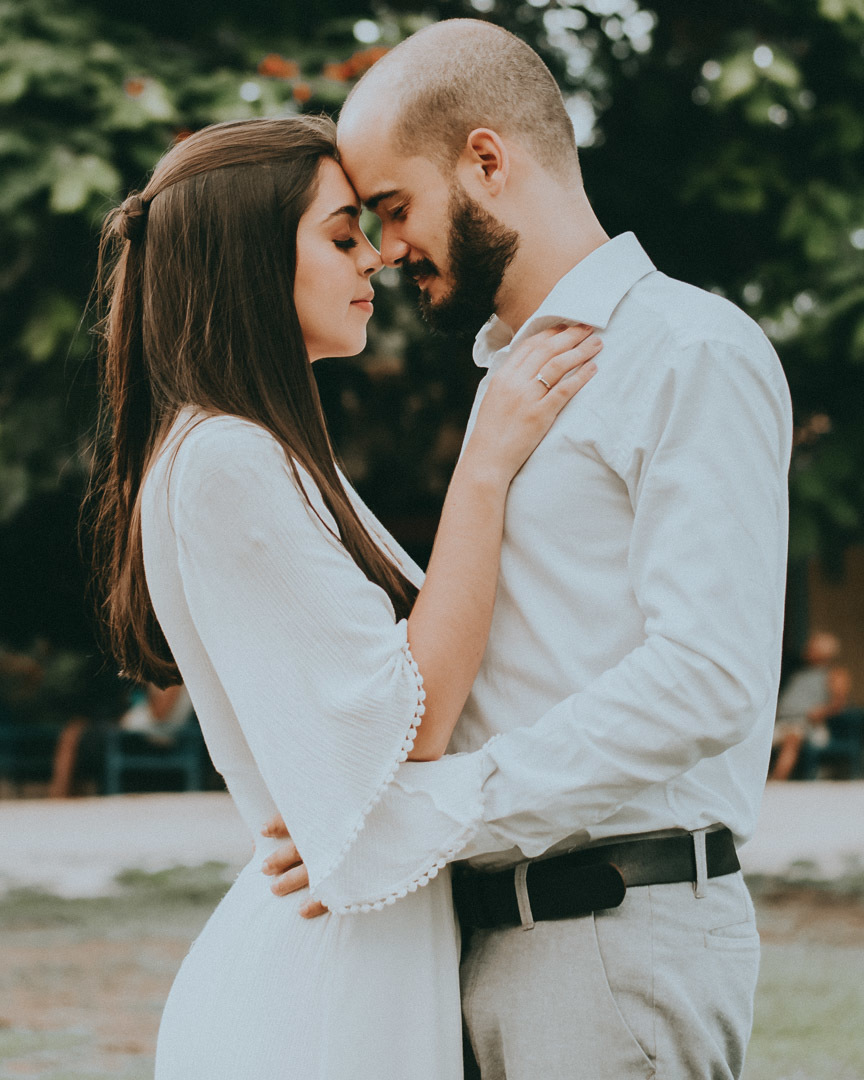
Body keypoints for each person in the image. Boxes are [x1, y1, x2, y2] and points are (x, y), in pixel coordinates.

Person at [261, 19, 794, 1080]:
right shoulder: (509, 385)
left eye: (395, 208)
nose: (384, 250)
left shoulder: (687, 350)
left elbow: (707, 676)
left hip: (613, 936)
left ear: (487, 161)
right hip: (495, 942)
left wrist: (429, 813)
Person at [87, 113, 599, 1079]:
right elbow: (414, 721)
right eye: (340, 235)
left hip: (361, 947)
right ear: (248, 262)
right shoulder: (227, 459)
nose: (375, 258)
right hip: (320, 992)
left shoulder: (257, 449)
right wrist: (485, 464)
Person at [770, 631, 852, 780]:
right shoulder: (799, 673)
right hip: (781, 722)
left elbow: (839, 703)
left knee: (792, 737)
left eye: (812, 647)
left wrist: (820, 712)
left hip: (809, 725)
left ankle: (777, 780)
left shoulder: (833, 674)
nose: (807, 649)